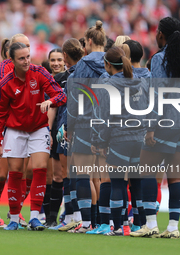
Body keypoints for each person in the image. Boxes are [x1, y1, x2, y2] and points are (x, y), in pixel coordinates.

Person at [130, 17, 180, 239]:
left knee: (146, 169)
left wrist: (150, 127)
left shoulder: (159, 59)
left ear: (161, 35)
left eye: (157, 32)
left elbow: (156, 95)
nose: (156, 35)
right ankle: (173, 228)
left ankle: (150, 224)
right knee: (175, 176)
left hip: (165, 122)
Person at [0, 42, 66, 230]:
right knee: (16, 172)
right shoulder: (6, 83)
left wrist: (50, 100)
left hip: (39, 128)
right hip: (15, 131)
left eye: (28, 56)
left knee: (39, 169)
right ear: (12, 60)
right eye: (21, 58)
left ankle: (34, 217)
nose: (26, 61)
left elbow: (61, 95)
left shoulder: (40, 72)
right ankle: (15, 218)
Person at [91, 46, 148, 236]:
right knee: (136, 183)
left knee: (117, 184)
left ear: (107, 65)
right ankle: (139, 224)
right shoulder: (140, 82)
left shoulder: (109, 86)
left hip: (119, 138)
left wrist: (100, 141)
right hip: (139, 139)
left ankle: (117, 226)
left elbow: (105, 118)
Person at [67, 20, 109, 233]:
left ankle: (86, 223)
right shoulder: (115, 59)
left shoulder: (84, 64)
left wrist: (70, 125)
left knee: (83, 173)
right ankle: (103, 222)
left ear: (89, 41)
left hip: (85, 122)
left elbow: (76, 98)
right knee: (102, 176)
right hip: (109, 125)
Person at [0, 34, 31, 228]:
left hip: (22, 125)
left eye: (28, 47)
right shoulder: (1, 69)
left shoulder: (31, 69)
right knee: (2, 174)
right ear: (10, 52)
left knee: (21, 173)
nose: (25, 50)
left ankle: (16, 212)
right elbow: (6, 92)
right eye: (21, 47)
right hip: (3, 125)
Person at [48, 38, 84, 230]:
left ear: (66, 57)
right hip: (69, 127)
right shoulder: (78, 73)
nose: (57, 63)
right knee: (68, 174)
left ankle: (76, 216)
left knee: (70, 174)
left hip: (68, 127)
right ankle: (72, 216)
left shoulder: (73, 75)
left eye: (60, 58)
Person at [43, 48, 66, 227]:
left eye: (59, 60)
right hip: (45, 131)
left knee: (59, 176)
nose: (56, 63)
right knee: (49, 176)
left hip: (61, 131)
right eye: (53, 60)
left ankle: (56, 217)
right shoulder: (45, 81)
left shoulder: (69, 79)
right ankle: (49, 217)